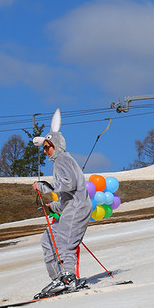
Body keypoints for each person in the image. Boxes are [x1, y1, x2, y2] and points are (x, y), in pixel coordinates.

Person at [31, 109, 92, 298]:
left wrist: (44, 186)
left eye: (47, 147)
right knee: (48, 239)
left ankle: (68, 277)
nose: (45, 151)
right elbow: (68, 196)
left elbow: (69, 184)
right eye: (44, 147)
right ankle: (58, 278)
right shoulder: (60, 162)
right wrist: (52, 207)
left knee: (66, 243)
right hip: (71, 207)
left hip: (78, 207)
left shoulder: (63, 159)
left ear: (56, 146)